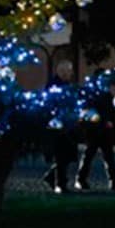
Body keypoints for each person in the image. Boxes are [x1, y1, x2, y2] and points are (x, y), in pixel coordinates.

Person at [75, 76, 115, 192]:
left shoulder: (103, 96)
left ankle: (112, 181)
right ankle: (81, 179)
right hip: (96, 130)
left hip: (101, 130)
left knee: (102, 156)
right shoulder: (102, 97)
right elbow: (101, 112)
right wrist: (107, 122)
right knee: (93, 155)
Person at [42, 60, 78, 194]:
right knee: (62, 155)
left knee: (66, 155)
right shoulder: (55, 86)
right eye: (69, 71)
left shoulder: (66, 85)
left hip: (66, 124)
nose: (72, 73)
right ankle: (60, 183)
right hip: (58, 126)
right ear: (62, 72)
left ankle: (53, 177)